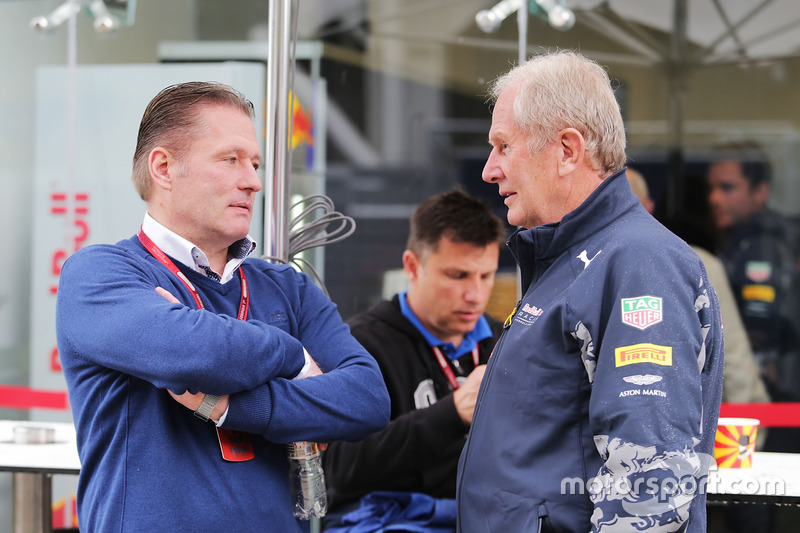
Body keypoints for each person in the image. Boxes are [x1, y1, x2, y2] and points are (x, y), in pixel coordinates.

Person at [55, 81, 390, 532]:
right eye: (230, 159)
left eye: (254, 163)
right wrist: (295, 357)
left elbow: (367, 400)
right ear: (164, 168)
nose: (252, 180)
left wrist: (236, 407)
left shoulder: (287, 287)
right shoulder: (99, 274)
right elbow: (193, 353)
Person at [456, 51, 724, 532]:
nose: (489, 170)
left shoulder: (638, 262)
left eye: (503, 146)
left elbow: (651, 486)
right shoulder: (580, 258)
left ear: (567, 150)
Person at [323, 189, 506, 530]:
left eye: (486, 276)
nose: (475, 295)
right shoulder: (360, 344)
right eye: (457, 275)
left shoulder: (505, 341)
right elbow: (340, 469)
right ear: (412, 266)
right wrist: (452, 413)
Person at [627, 168, 770, 412]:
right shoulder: (572, 269)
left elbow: (734, 364)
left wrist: (742, 438)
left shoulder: (696, 266)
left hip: (682, 436)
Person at [706, 145, 800, 448]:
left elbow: (764, 327)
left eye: (727, 188)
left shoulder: (764, 245)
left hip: (774, 400)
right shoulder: (739, 240)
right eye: (712, 188)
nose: (714, 198)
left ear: (760, 192)